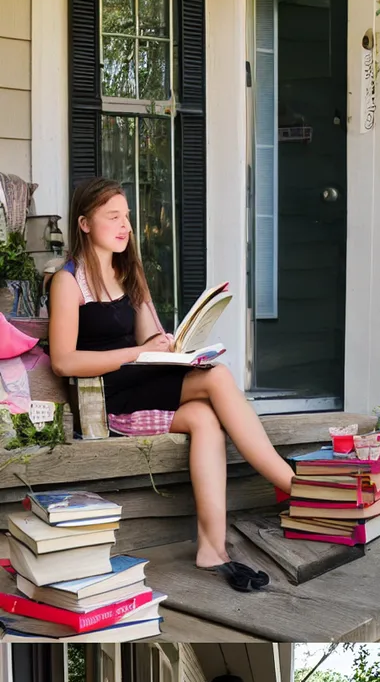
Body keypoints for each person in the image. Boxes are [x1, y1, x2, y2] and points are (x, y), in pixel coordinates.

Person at [47, 179, 296, 594]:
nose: (125, 225)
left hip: (142, 380)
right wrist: (132, 353)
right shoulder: (68, 281)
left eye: (127, 216)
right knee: (217, 378)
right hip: (108, 397)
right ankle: (293, 485)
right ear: (85, 223)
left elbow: (151, 343)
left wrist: (173, 347)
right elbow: (63, 360)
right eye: (113, 217)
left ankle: (212, 549)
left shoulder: (128, 272)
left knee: (203, 418)